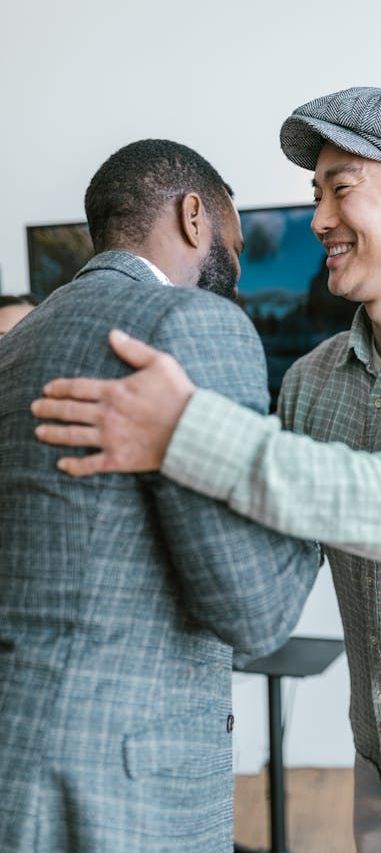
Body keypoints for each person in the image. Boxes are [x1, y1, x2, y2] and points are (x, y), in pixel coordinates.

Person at [33, 89, 381, 851]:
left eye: (341, 188)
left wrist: (187, 427)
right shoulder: (311, 380)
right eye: (314, 194)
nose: (319, 218)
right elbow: (265, 546)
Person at [0, 138, 319, 853]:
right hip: (119, 789)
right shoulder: (193, 324)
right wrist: (313, 489)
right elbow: (254, 613)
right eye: (235, 246)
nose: (235, 272)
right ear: (194, 217)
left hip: (19, 753)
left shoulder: (16, 343)